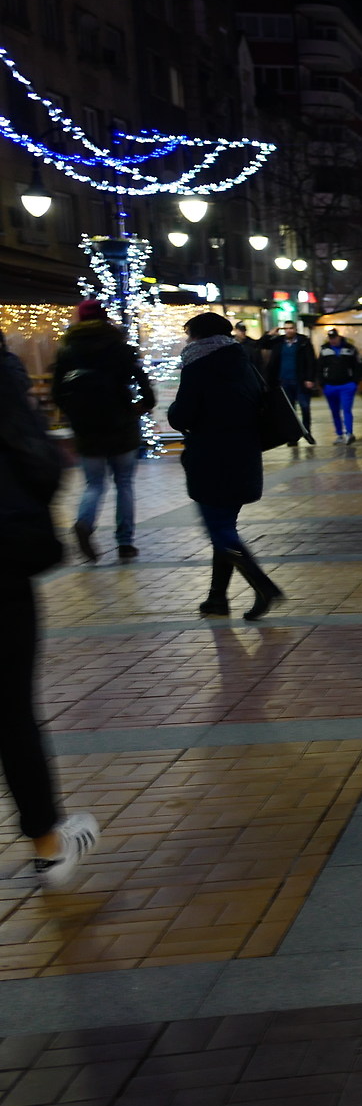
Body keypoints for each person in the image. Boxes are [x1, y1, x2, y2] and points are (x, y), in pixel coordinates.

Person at [0, 329, 90, 887]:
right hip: (3, 561)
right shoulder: (4, 378)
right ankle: (50, 845)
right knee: (10, 711)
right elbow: (41, 462)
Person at [167, 312, 283, 621]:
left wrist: (173, 410)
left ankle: (263, 585)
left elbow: (182, 416)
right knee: (224, 527)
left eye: (189, 334)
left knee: (219, 530)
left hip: (211, 458)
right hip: (243, 455)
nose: (188, 340)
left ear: (198, 336)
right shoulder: (243, 360)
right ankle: (217, 598)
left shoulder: (198, 366)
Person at [54, 298, 153, 563]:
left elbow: (57, 392)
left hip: (87, 429)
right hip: (121, 425)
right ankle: (125, 543)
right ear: (105, 318)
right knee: (124, 483)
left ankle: (84, 523)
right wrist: (140, 407)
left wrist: (75, 415)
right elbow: (144, 385)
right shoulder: (121, 348)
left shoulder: (67, 351)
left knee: (94, 484)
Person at [257, 320, 319, 439]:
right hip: (283, 381)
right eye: (286, 328)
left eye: (291, 328)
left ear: (295, 329)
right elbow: (261, 344)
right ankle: (293, 436)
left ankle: (307, 432)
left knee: (305, 407)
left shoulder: (303, 342)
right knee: (290, 410)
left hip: (300, 381)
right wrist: (269, 334)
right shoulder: (279, 341)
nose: (288, 331)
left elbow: (311, 361)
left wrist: (310, 378)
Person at [319, 329, 362, 444]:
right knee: (334, 411)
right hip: (330, 386)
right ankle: (339, 434)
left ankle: (349, 433)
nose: (332, 340)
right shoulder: (324, 350)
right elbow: (319, 367)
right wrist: (323, 384)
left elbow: (357, 366)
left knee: (346, 409)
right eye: (330, 338)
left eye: (334, 338)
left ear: (339, 337)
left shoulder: (350, 348)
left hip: (347, 385)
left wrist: (355, 382)